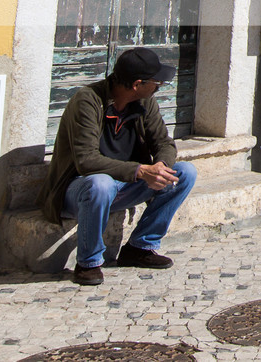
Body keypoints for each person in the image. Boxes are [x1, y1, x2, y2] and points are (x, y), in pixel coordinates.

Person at [36, 48, 197, 285]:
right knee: (101, 183)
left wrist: (160, 167)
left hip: (126, 184)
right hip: (79, 190)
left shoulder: (146, 102)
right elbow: (86, 161)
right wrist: (140, 171)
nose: (159, 86)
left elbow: (164, 143)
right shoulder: (88, 101)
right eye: (156, 82)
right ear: (137, 84)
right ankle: (88, 262)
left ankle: (140, 247)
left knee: (184, 173)